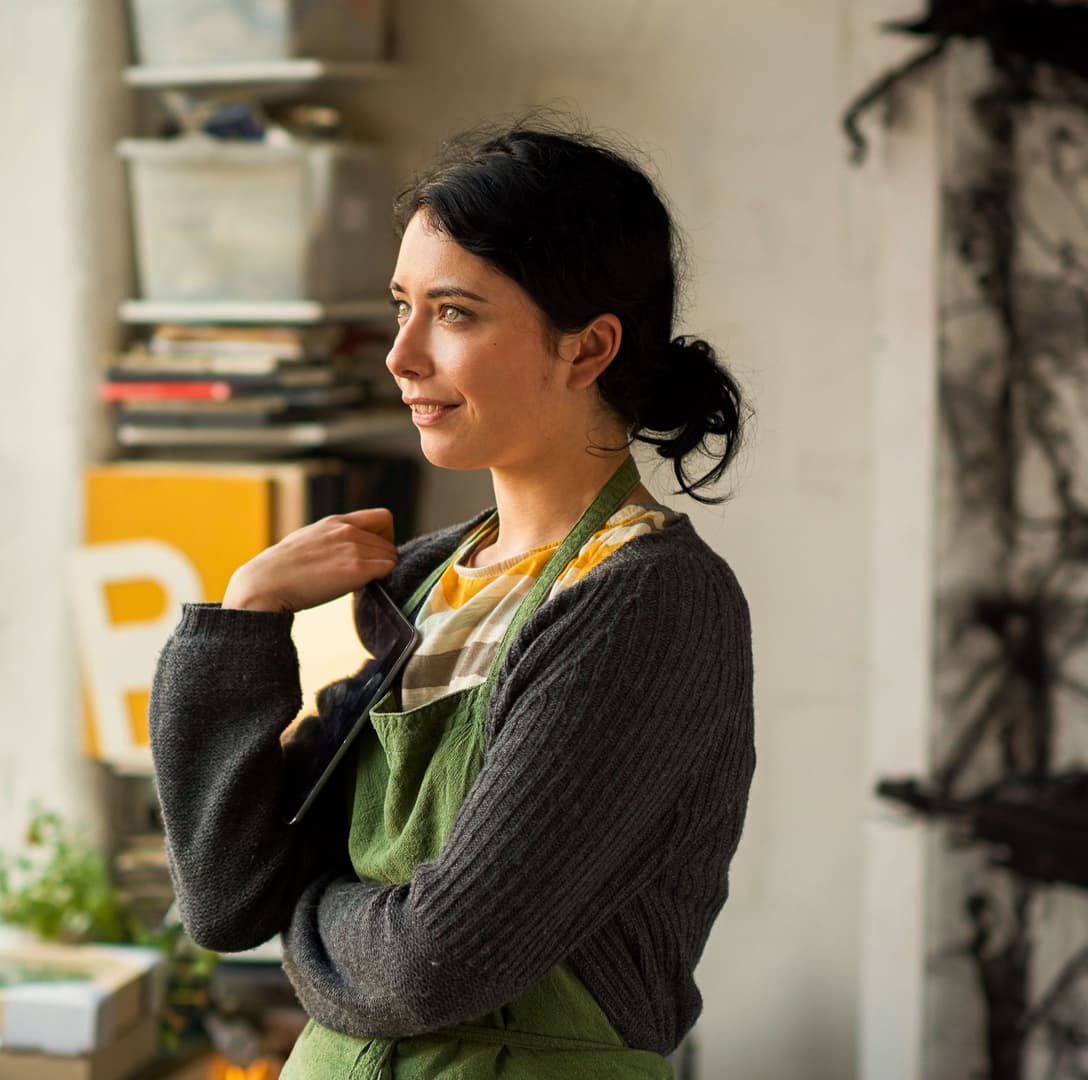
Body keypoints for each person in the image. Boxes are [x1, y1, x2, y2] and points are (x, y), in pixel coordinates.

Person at [148, 121, 756, 1078]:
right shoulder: (426, 586)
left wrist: (309, 917)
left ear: (588, 347)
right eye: (402, 306)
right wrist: (244, 620)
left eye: (456, 314)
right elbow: (227, 898)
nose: (401, 355)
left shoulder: (651, 604)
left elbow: (436, 964)